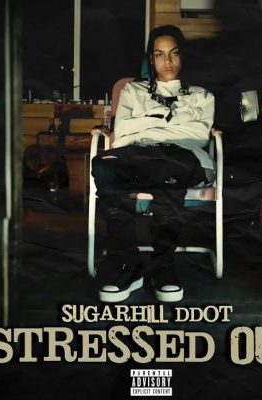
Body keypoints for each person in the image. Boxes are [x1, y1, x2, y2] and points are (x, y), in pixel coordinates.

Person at [92, 25, 215, 303]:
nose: (167, 61)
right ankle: (128, 266)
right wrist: (170, 120)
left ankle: (163, 267)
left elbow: (196, 136)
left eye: (174, 53)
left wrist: (145, 125)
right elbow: (123, 132)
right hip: (138, 156)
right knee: (104, 166)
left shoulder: (202, 95)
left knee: (169, 167)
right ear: (151, 59)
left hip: (179, 157)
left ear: (183, 56)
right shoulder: (132, 91)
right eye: (159, 55)